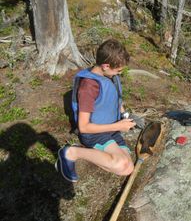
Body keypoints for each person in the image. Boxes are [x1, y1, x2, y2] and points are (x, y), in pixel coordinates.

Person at [56, 39, 136, 182]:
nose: (120, 73)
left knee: (128, 168)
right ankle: (71, 152)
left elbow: (115, 98)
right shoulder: (89, 87)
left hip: (111, 131)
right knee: (122, 164)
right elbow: (84, 127)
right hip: (94, 134)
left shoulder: (109, 76)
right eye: (118, 70)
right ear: (105, 66)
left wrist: (124, 115)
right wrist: (119, 126)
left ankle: (98, 154)